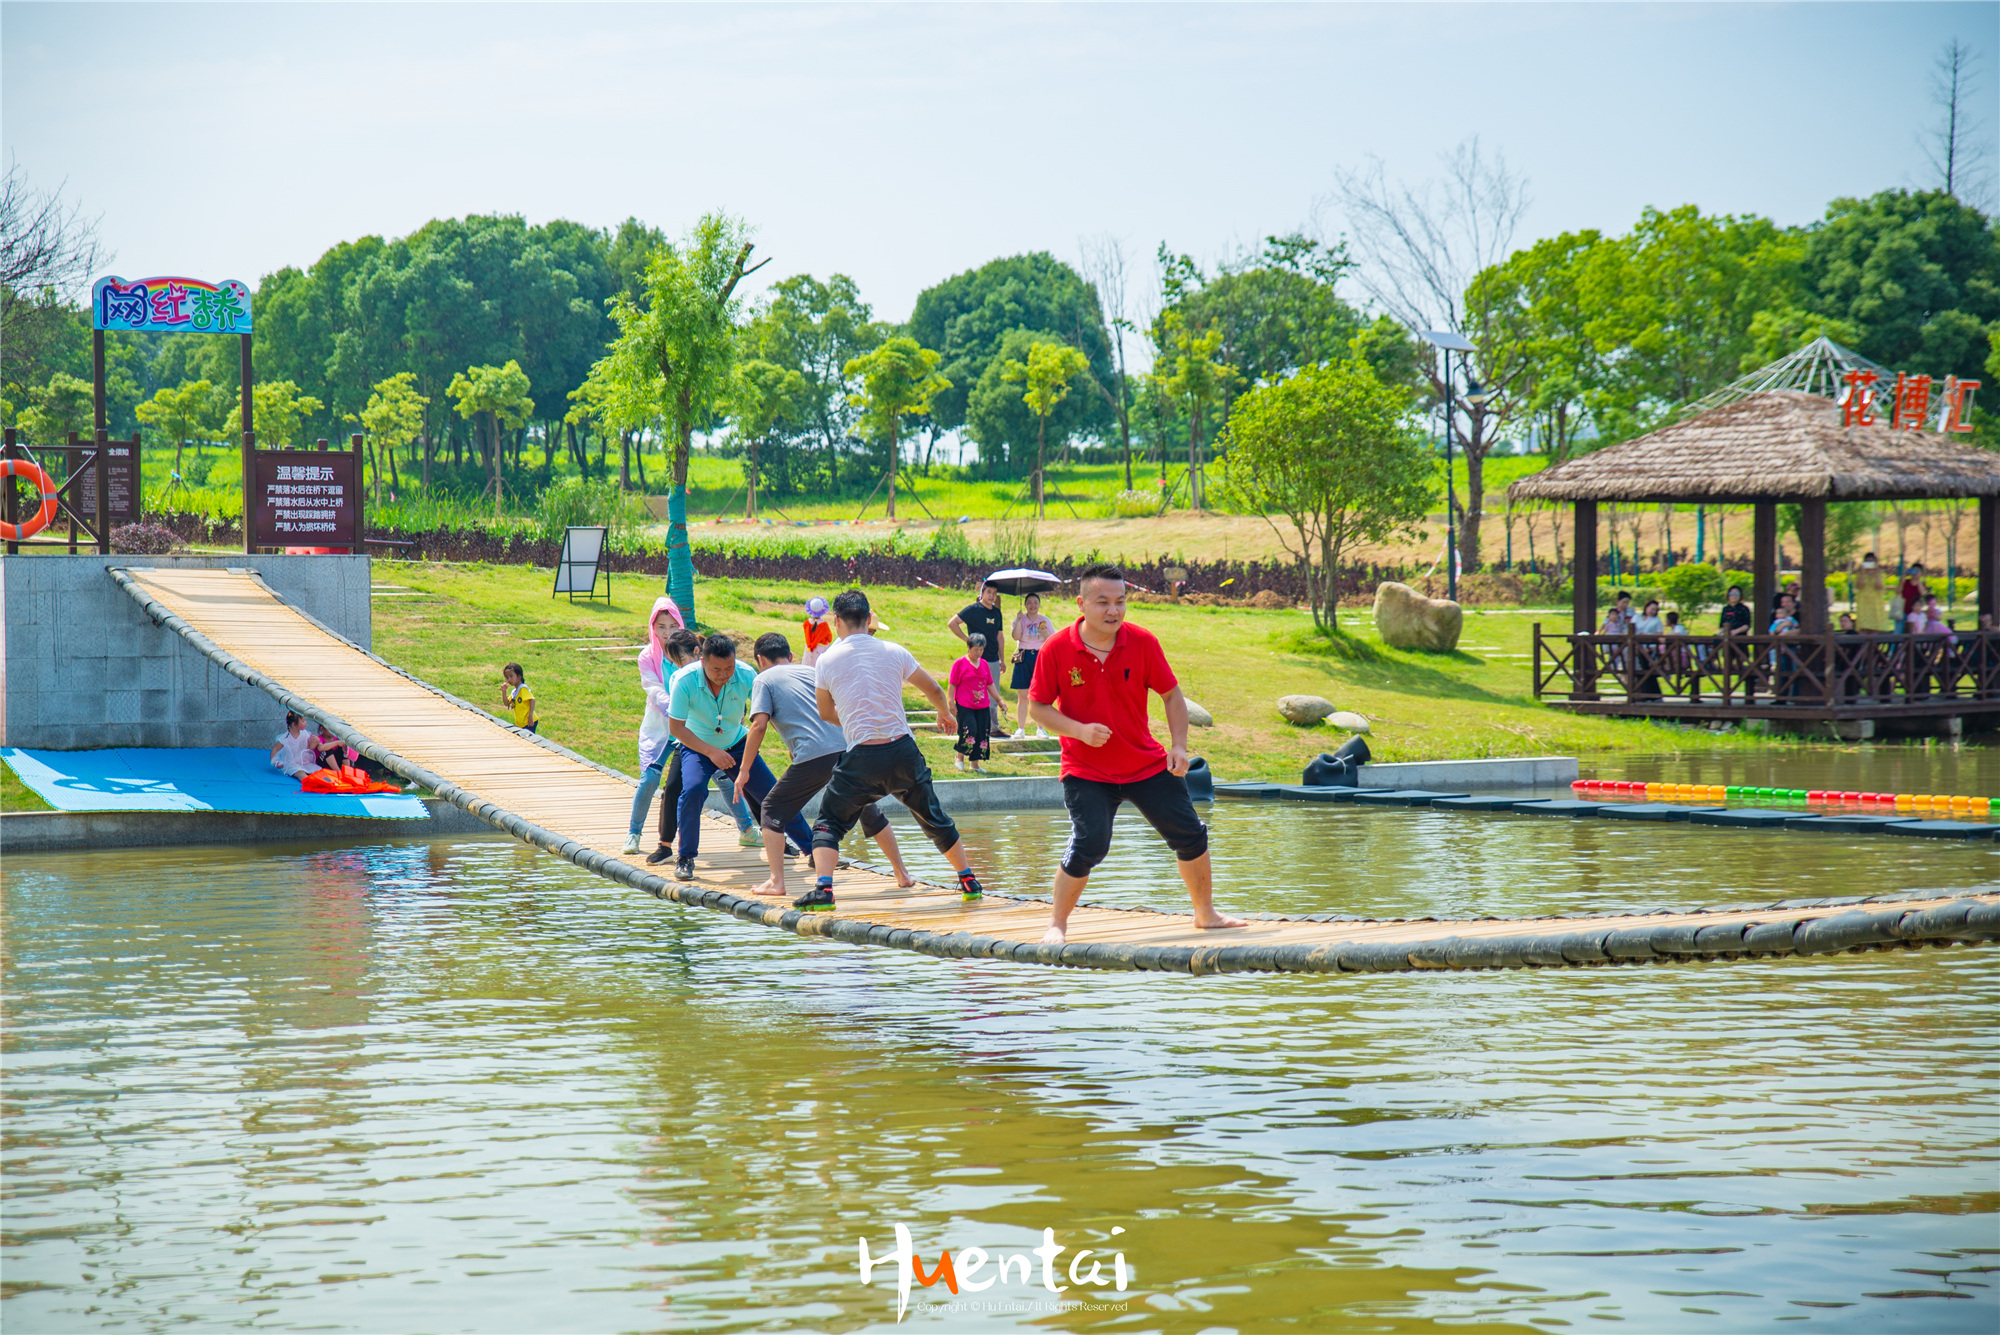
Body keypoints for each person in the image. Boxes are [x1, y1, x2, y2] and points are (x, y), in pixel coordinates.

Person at [1029, 562, 1246, 946]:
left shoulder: (1143, 642)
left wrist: (1179, 746)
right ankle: (1056, 926)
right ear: (1081, 603)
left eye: (1120, 601)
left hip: (1145, 763)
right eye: (1102, 602)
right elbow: (1039, 708)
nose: (1113, 610)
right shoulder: (1057, 648)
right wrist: (1079, 730)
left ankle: (1205, 914)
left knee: (1191, 835)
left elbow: (1171, 695)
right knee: (1089, 843)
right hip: (1086, 770)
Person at [800, 588, 985, 913]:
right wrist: (945, 713)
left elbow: (825, 713)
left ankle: (824, 890)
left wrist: (854, 716)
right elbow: (933, 688)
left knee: (828, 821)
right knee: (933, 817)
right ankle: (968, 880)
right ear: (870, 618)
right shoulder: (894, 650)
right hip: (902, 752)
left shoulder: (826, 659)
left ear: (837, 621)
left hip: (862, 758)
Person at [735, 632, 912, 899]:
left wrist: (744, 769)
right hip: (849, 746)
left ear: (760, 659)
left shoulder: (762, 680)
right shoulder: (810, 671)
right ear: (790, 656)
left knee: (771, 808)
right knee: (866, 808)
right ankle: (902, 874)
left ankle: (776, 882)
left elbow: (758, 725)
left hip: (816, 755)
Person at [667, 635, 794, 882]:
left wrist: (791, 743)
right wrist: (711, 752)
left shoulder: (746, 675)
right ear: (702, 661)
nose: (724, 675)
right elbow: (676, 729)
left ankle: (804, 846)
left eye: (729, 668)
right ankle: (685, 857)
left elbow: (768, 713)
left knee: (771, 794)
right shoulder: (684, 681)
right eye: (716, 669)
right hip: (698, 746)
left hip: (736, 743)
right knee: (692, 791)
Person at [625, 598, 691, 855]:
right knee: (650, 778)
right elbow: (653, 689)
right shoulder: (647, 656)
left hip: (690, 727)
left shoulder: (688, 651)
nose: (667, 633)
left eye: (673, 625)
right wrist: (678, 708)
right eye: (661, 626)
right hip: (660, 727)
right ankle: (634, 834)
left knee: (723, 772)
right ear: (653, 627)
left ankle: (746, 829)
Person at [948, 582, 1007, 711]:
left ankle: (993, 728)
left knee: (994, 694)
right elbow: (952, 623)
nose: (992, 596)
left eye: (994, 593)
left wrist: (1002, 659)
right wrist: (967, 640)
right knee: (976, 692)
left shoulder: (997, 613)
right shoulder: (973, 610)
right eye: (989, 592)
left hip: (993, 658)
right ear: (982, 593)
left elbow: (1000, 636)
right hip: (976, 659)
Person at [1009, 592, 1055, 738]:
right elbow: (1016, 637)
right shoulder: (1020, 620)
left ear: (1039, 604)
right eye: (1029, 602)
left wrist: (1045, 633)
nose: (1032, 605)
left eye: (1035, 602)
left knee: (1039, 695)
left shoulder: (1045, 620)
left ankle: (1040, 729)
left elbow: (1053, 639)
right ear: (1025, 604)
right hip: (1023, 656)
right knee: (1022, 695)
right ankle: (1020, 729)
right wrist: (1018, 620)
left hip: (1040, 656)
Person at [950, 633, 996, 771]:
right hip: (965, 705)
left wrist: (999, 701)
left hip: (982, 705)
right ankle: (959, 756)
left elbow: (990, 684)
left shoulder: (984, 664)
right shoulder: (959, 663)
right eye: (976, 649)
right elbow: (952, 684)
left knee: (982, 733)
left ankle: (975, 764)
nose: (979, 652)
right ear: (968, 647)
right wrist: (951, 703)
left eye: (981, 649)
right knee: (969, 731)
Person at [270, 712, 317, 778]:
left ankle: (326, 783)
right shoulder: (285, 738)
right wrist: (275, 762)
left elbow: (309, 748)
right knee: (300, 773)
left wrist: (315, 742)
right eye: (303, 721)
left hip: (304, 762)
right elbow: (275, 749)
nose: (305, 722)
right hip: (291, 764)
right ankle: (310, 783)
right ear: (294, 724)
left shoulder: (305, 734)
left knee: (317, 769)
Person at [1854, 553, 1888, 632]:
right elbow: (1859, 586)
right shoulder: (1860, 575)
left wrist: (1876, 574)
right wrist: (1862, 573)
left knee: (1874, 629)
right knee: (1863, 628)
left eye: (1871, 562)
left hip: (1875, 604)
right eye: (1867, 561)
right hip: (1863, 603)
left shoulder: (1879, 574)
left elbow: (1879, 587)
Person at [500, 662, 538, 734]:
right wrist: (504, 691)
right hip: (521, 723)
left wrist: (530, 715)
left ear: (519, 676)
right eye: (507, 677)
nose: (509, 679)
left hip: (528, 722)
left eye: (511, 676)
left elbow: (532, 700)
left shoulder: (523, 689)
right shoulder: (515, 692)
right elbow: (506, 703)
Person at [802, 595, 834, 667]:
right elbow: (829, 638)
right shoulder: (824, 625)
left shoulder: (807, 623)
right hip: (821, 649)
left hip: (809, 649)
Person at [1900, 563, 1928, 632]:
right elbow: (1898, 592)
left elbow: (1923, 594)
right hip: (1903, 610)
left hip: (1915, 612)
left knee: (1914, 631)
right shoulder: (1906, 582)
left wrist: (1918, 581)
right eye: (1913, 571)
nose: (1915, 573)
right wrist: (1902, 581)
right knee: (1899, 631)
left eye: (1917, 571)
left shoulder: (1922, 584)